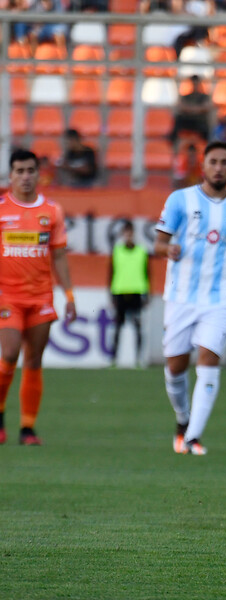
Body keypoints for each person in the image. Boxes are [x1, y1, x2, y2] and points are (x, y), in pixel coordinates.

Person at [153, 141, 226, 456]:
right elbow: (159, 243)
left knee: (209, 360)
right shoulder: (179, 200)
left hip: (220, 297)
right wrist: (168, 249)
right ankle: (183, 420)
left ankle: (194, 436)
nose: (219, 167)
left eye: (225, 162)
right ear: (203, 165)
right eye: (214, 161)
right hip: (181, 296)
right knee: (175, 367)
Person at [0, 149, 77, 446]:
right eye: (19, 171)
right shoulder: (2, 209)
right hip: (8, 296)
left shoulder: (52, 211)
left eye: (30, 170)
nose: (25, 176)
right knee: (9, 354)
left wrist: (69, 294)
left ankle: (27, 429)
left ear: (38, 173)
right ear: (11, 175)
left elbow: (58, 256)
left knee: (33, 360)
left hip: (41, 297)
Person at [109, 220, 150, 367]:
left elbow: (147, 273)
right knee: (118, 328)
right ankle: (114, 359)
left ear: (133, 233)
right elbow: (112, 273)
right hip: (120, 292)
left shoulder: (141, 251)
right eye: (126, 232)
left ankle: (139, 359)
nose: (128, 235)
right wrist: (111, 294)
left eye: (130, 232)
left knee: (138, 327)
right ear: (123, 234)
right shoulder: (117, 251)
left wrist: (147, 294)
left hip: (136, 293)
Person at [170, 75, 213, 144]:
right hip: (187, 121)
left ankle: (207, 145)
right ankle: (173, 145)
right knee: (178, 120)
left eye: (196, 83)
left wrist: (190, 109)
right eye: (193, 83)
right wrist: (197, 109)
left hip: (200, 121)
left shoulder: (204, 96)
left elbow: (206, 107)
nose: (195, 85)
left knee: (207, 129)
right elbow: (181, 107)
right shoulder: (186, 96)